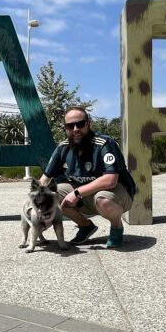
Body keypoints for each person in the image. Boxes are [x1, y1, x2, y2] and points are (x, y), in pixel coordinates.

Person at [39, 106, 136, 248]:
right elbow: (44, 179)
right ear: (65, 128)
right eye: (70, 126)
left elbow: (111, 179)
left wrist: (76, 193)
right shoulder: (62, 148)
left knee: (103, 199)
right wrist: (36, 205)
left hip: (116, 194)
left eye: (80, 124)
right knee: (52, 194)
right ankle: (85, 226)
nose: (75, 129)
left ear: (89, 123)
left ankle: (116, 227)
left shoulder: (104, 144)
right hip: (85, 196)